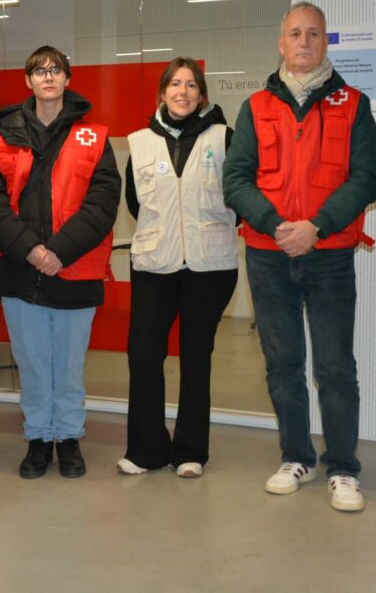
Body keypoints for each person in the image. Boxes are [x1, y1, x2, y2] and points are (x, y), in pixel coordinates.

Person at [222, 2, 376, 512]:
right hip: (268, 256)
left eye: (314, 33)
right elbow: (236, 179)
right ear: (281, 43)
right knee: (283, 364)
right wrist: (276, 226)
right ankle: (295, 456)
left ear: (326, 43)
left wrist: (315, 227)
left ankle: (343, 468)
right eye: (295, 33)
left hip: (329, 254)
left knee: (335, 367)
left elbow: (366, 179)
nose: (304, 42)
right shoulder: (256, 107)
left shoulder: (353, 104)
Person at [0, 45, 120, 479]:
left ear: (68, 78)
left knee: (70, 364)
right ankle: (39, 438)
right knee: (33, 361)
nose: (48, 77)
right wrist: (31, 251)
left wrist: (58, 251)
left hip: (73, 269)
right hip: (21, 269)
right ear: (28, 81)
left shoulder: (93, 137)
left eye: (56, 69)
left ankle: (70, 438)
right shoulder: (3, 136)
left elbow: (102, 203)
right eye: (39, 71)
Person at [117, 58, 237, 479]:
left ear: (201, 95)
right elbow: (135, 203)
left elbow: (239, 191)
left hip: (209, 265)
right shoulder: (139, 141)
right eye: (175, 84)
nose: (182, 92)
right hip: (155, 263)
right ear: (161, 93)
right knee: (144, 355)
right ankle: (147, 449)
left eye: (191, 85)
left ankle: (189, 451)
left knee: (195, 357)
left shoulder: (224, 137)